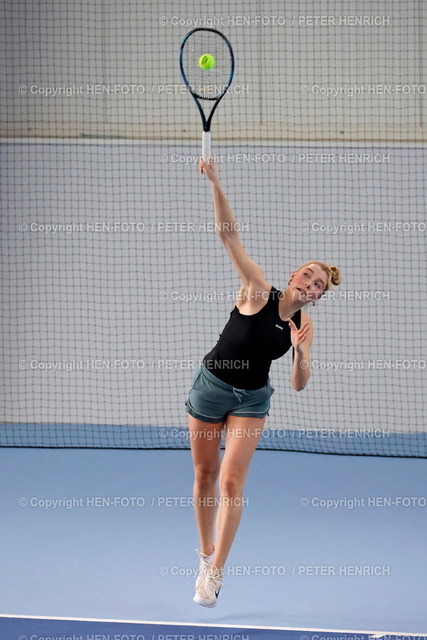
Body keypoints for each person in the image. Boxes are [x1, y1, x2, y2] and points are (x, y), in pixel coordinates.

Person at [186, 158, 341, 607]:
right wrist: (215, 183)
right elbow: (227, 235)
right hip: (211, 386)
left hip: (253, 399)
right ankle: (204, 553)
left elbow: (298, 384)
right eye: (309, 275)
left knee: (232, 483)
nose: (312, 284)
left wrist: (304, 355)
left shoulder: (304, 325)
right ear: (294, 275)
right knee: (204, 476)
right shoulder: (257, 288)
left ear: (317, 298)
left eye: (319, 287)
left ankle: (215, 574)